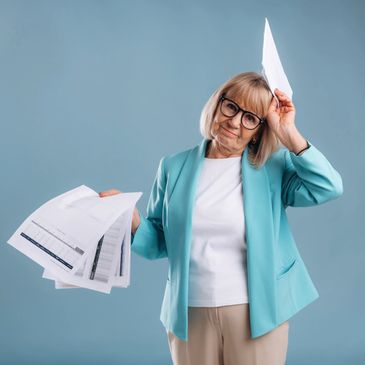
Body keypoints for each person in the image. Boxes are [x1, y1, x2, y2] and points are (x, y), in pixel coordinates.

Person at [99, 72, 343, 365]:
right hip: (190, 314)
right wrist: (132, 218)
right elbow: (158, 243)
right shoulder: (173, 167)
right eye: (231, 107)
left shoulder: (271, 167)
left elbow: (328, 187)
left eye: (250, 118)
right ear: (217, 105)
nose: (235, 121)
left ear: (259, 129)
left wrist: (289, 133)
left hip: (256, 312)